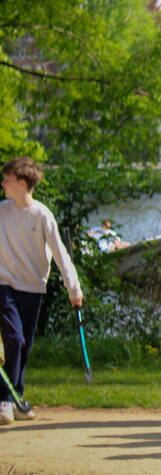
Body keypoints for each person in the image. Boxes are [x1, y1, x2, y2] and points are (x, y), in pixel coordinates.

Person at [1, 157, 84, 425]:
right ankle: (4, 400)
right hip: (3, 286)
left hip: (33, 288)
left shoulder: (42, 215)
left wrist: (73, 288)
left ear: (22, 184)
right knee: (14, 339)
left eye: (8, 180)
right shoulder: (1, 211)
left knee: (23, 346)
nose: (3, 183)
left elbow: (60, 254)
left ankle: (17, 398)